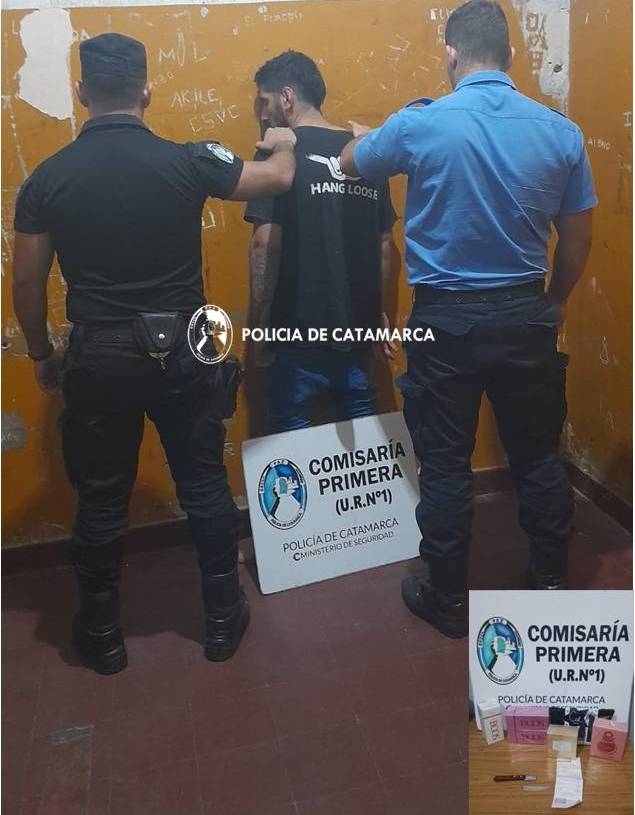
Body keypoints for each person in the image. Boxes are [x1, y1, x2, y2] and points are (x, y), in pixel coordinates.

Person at [12, 32, 296, 674]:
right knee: (204, 485)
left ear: (81, 93)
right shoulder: (189, 161)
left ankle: (103, 635)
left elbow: (26, 284)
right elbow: (278, 176)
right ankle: (221, 620)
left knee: (101, 499)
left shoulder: (46, 179)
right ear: (146, 90)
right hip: (185, 351)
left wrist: (42, 354)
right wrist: (282, 138)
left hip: (98, 355)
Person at [340, 0, 597, 637]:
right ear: (509, 54)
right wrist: (556, 298)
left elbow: (349, 161)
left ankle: (449, 597)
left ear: (451, 54)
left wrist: (385, 128)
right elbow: (577, 239)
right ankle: (550, 581)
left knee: (445, 463)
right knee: (537, 456)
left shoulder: (420, 123)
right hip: (526, 313)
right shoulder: (560, 132)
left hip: (444, 321)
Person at [244, 50, 397, 433]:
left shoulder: (276, 155)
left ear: (287, 97)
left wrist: (260, 326)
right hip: (358, 330)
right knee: (363, 449)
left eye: (264, 102)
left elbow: (265, 244)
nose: (263, 116)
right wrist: (380, 314)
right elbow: (384, 246)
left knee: (290, 453)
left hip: (294, 334)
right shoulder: (365, 152)